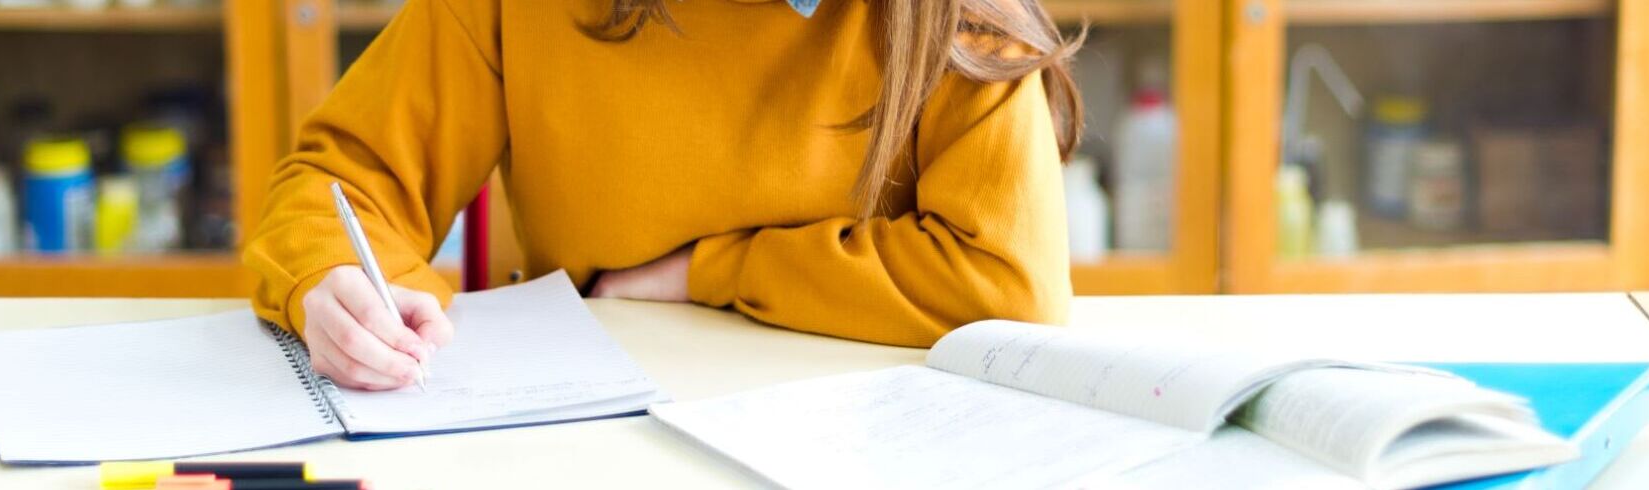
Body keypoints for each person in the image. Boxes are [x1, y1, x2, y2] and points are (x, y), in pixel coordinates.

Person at [243, 0, 1086, 390]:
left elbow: (1008, 283)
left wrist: (709, 270)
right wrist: (331, 281)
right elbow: (339, 182)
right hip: (590, 440)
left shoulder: (959, 24)